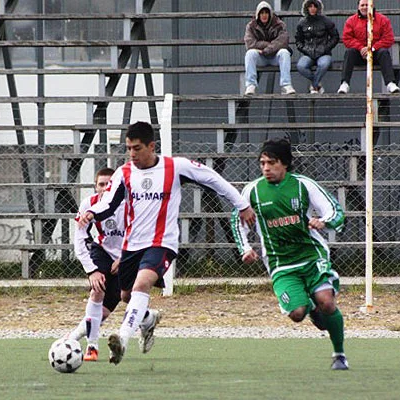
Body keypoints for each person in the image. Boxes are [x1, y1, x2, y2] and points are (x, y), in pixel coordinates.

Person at [77, 121, 256, 365]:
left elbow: (213, 179)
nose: (132, 154)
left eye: (137, 148)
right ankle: (148, 320)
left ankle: (123, 339)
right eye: (128, 148)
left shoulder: (175, 167)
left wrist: (242, 204)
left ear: (152, 146)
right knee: (127, 294)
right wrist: (92, 213)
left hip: (162, 242)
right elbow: (109, 203)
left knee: (141, 286)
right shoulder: (124, 172)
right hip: (131, 245)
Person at [231, 138, 349, 370]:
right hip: (280, 263)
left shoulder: (303, 185)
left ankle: (339, 355)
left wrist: (322, 222)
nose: (266, 168)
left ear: (285, 164)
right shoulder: (253, 190)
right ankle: (311, 308)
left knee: (327, 302)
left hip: (311, 256)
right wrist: (245, 248)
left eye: (271, 163)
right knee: (296, 313)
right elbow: (238, 222)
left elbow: (335, 211)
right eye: (262, 163)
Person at [66, 167, 160, 362]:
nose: (104, 188)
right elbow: (79, 239)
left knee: (120, 302)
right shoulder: (88, 205)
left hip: (127, 255)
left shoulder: (129, 206)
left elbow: (141, 237)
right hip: (101, 252)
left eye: (109, 185)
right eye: (101, 184)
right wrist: (91, 270)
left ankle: (147, 318)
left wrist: (124, 258)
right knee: (96, 290)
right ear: (95, 186)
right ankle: (90, 347)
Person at [337, 0, 400, 94]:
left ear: (372, 5)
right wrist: (361, 48)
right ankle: (344, 83)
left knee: (384, 52)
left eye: (367, 5)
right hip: (359, 55)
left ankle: (390, 83)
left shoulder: (383, 20)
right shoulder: (351, 21)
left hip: (376, 54)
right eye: (362, 5)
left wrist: (372, 48)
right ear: (358, 7)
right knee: (349, 52)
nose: (365, 7)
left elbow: (388, 38)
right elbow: (347, 39)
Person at [244, 1, 295, 95]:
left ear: (270, 14)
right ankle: (250, 85)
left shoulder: (279, 24)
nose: (264, 15)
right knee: (250, 54)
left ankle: (286, 85)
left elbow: (283, 41)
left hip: (275, 56)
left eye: (266, 12)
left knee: (284, 52)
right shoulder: (251, 26)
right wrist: (270, 45)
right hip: (261, 57)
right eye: (262, 13)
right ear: (258, 14)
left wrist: (267, 49)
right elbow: (250, 44)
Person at [295, 0, 339, 94]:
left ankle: (314, 86)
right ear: (306, 8)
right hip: (308, 54)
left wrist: (326, 48)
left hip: (324, 53)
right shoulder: (302, 23)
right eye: (310, 6)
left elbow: (335, 37)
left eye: (314, 6)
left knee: (324, 64)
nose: (312, 9)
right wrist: (305, 49)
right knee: (300, 66)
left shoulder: (326, 21)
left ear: (318, 8)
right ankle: (317, 83)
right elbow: (298, 40)